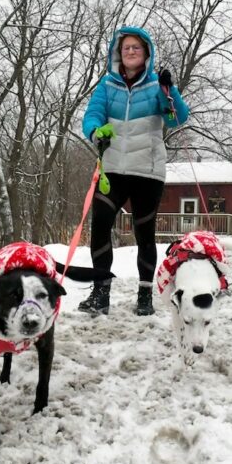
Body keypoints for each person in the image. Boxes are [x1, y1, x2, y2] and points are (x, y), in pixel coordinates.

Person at [79, 26, 189, 316]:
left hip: (147, 171)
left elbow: (177, 117)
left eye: (136, 48)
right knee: (100, 225)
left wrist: (170, 89)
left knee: (144, 233)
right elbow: (92, 114)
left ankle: (144, 296)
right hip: (113, 168)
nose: (130, 51)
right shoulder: (106, 86)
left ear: (146, 54)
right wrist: (94, 132)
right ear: (118, 52)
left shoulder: (156, 85)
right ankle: (100, 292)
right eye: (125, 47)